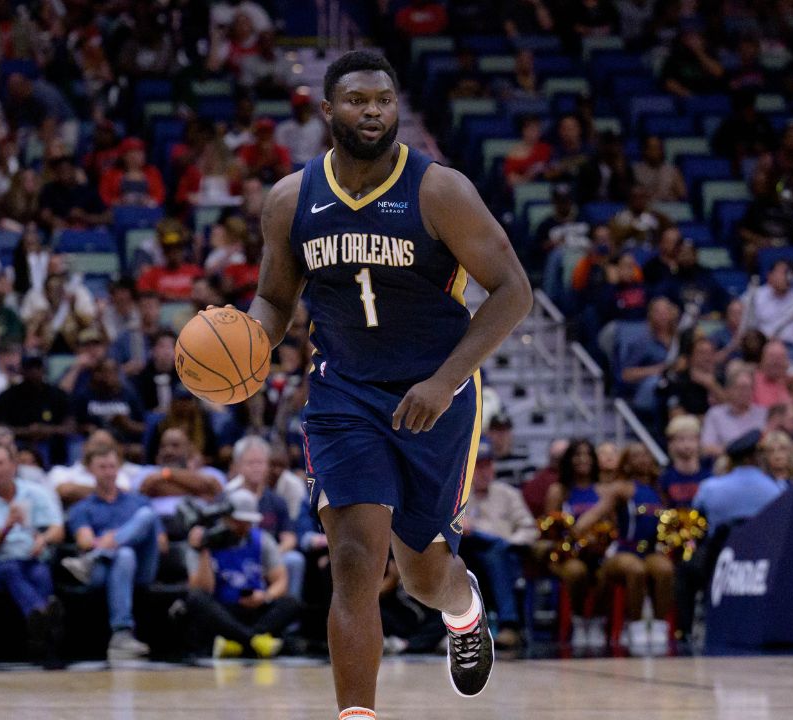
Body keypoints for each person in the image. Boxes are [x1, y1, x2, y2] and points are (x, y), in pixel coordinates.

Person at [249, 52, 532, 713]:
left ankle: (463, 613)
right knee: (353, 557)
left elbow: (513, 291)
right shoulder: (290, 200)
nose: (371, 110)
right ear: (327, 111)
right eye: (356, 100)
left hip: (436, 394)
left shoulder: (441, 191)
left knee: (423, 576)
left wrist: (444, 380)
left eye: (382, 99)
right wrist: (242, 345)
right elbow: (274, 301)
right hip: (343, 393)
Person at [0, 444, 65, 664]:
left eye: (0, 463)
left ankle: (40, 631)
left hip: (31, 558)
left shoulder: (36, 493)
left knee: (41, 573)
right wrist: (6, 528)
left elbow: (57, 529)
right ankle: (43, 615)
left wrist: (43, 538)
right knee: (10, 570)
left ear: (13, 466)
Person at [572, 444, 672, 656]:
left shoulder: (658, 489)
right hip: (624, 550)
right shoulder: (621, 488)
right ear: (626, 462)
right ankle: (633, 626)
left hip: (651, 551)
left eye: (645, 455)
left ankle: (659, 625)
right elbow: (596, 513)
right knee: (636, 570)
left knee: (665, 569)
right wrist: (578, 529)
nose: (642, 460)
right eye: (635, 456)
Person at [60, 444, 157, 658]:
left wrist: (112, 539)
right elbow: (84, 542)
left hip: (142, 566)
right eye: (102, 467)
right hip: (103, 572)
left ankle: (96, 557)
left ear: (119, 468)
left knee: (146, 515)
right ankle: (121, 635)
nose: (108, 472)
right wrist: (117, 544)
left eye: (112, 466)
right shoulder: (82, 508)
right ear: (91, 471)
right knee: (124, 555)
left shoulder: (138, 501)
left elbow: (162, 543)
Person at [184, 488, 301, 659]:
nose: (244, 526)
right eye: (239, 521)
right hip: (223, 611)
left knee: (292, 603)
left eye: (248, 521)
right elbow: (204, 589)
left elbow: (281, 580)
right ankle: (254, 641)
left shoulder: (262, 539)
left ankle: (237, 642)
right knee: (195, 599)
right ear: (226, 518)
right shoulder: (205, 541)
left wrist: (266, 596)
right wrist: (204, 551)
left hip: (254, 607)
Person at [459, 442, 537, 650]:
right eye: (478, 467)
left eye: (487, 466)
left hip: (504, 552)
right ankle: (458, 630)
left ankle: (509, 625)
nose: (483, 472)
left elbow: (529, 529)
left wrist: (509, 543)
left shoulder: (508, 494)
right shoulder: (460, 496)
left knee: (496, 553)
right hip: (470, 550)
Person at [541, 439, 605, 649]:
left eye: (587, 455)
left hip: (598, 553)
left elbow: (611, 526)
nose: (583, 459)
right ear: (569, 461)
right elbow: (550, 529)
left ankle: (597, 620)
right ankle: (579, 621)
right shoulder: (558, 491)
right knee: (576, 571)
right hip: (565, 554)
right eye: (577, 455)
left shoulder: (604, 491)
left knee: (608, 571)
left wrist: (599, 540)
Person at [225, 436, 305, 601]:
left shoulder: (276, 500)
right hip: (234, 552)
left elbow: (289, 538)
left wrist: (271, 555)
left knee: (294, 560)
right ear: (238, 466)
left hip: (272, 554)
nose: (256, 468)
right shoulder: (228, 497)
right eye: (251, 463)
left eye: (260, 463)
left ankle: (287, 620)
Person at [694, 430, 787, 529]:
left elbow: (696, 520)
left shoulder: (709, 488)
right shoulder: (777, 489)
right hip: (764, 543)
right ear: (755, 457)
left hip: (721, 544)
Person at [0, 351, 73, 465]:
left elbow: (70, 427)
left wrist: (46, 430)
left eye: (37, 367)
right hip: (19, 444)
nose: (34, 372)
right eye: (29, 368)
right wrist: (27, 431)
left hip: (53, 448)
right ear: (22, 370)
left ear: (44, 369)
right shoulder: (7, 396)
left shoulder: (58, 395)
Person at [700, 368, 768, 458]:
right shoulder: (715, 415)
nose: (745, 392)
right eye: (741, 388)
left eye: (749, 388)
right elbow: (706, 448)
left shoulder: (763, 414)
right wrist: (736, 451)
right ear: (729, 390)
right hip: (726, 465)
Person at [658, 415, 711, 508]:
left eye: (691, 439)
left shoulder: (710, 477)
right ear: (671, 443)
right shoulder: (664, 478)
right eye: (681, 439)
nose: (687, 445)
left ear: (699, 441)